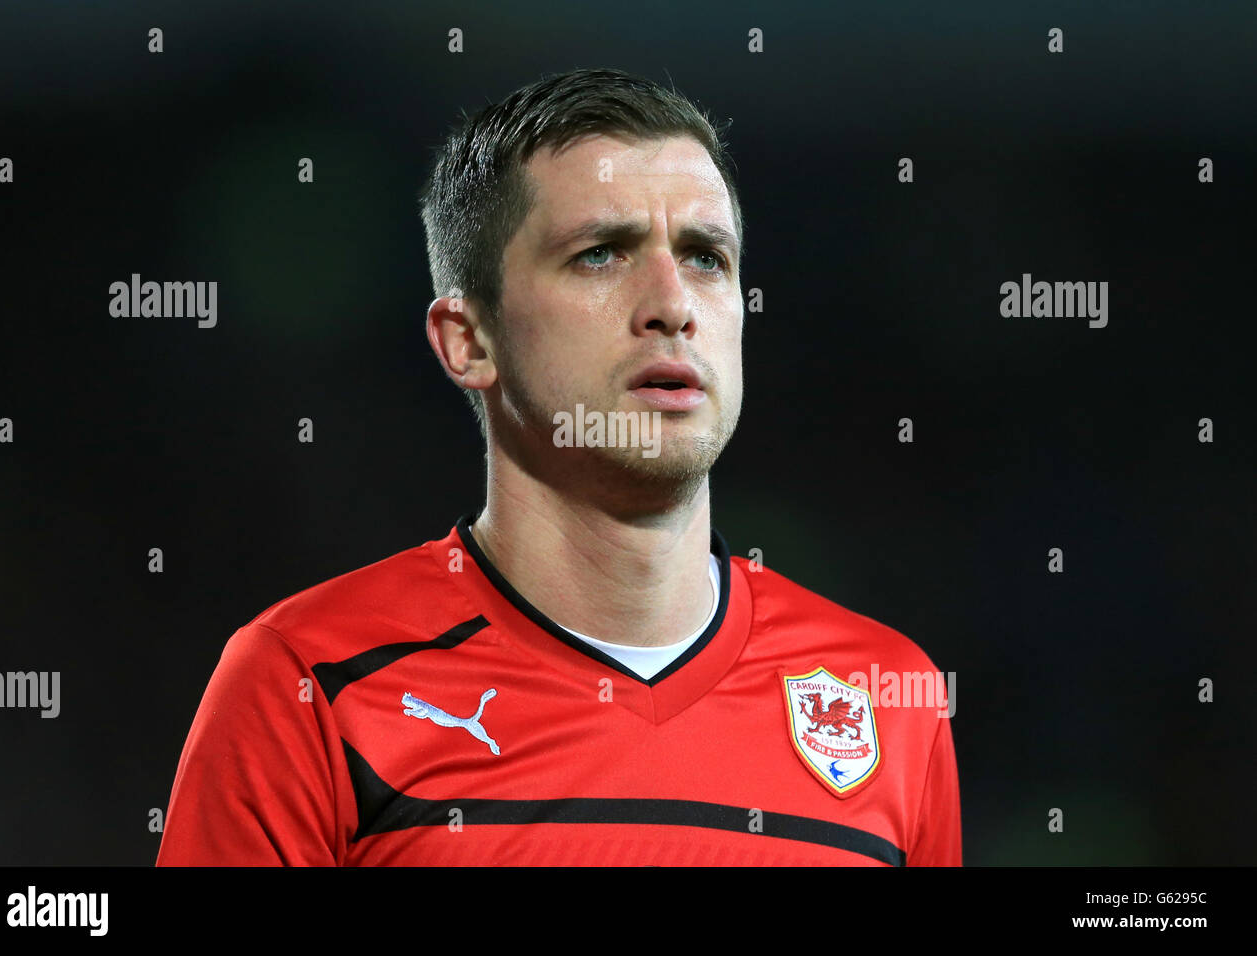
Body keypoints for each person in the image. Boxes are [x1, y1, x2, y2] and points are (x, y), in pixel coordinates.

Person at [156, 67, 960, 866]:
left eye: (706, 256)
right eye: (602, 253)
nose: (672, 304)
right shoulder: (308, 686)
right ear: (469, 340)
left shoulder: (888, 696)